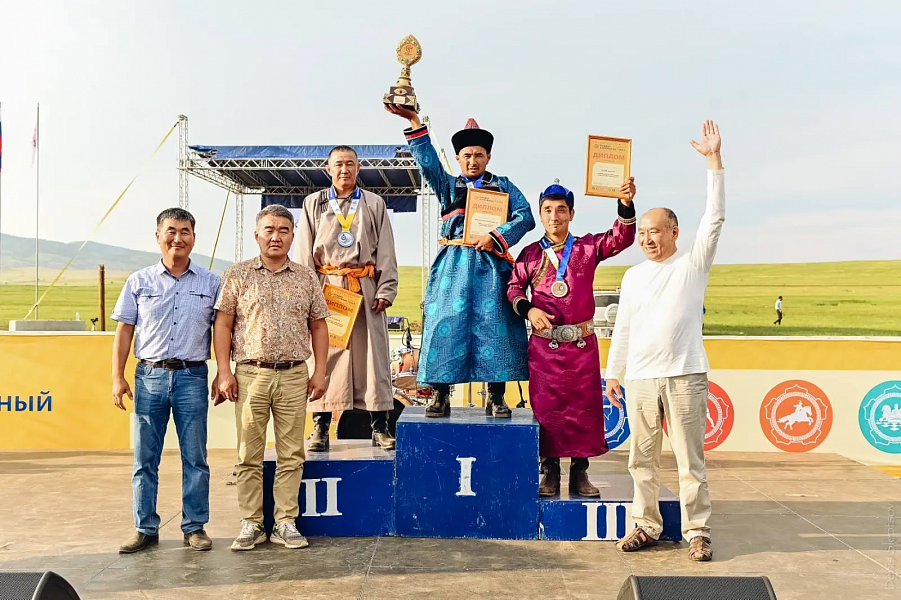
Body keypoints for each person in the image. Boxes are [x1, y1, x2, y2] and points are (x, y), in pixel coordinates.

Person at [604, 120, 725, 562]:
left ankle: (697, 531)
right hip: (640, 379)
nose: (647, 239)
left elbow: (714, 218)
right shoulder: (633, 276)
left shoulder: (693, 264)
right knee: (641, 460)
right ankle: (646, 525)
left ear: (674, 232)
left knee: (690, 460)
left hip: (685, 374)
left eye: (655, 231)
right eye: (642, 233)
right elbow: (624, 326)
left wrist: (713, 161)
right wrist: (613, 373)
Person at [386, 102, 535, 418]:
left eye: (479, 155)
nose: (472, 160)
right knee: (446, 325)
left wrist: (496, 236)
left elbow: (525, 216)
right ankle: (439, 394)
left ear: (488, 157)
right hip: (453, 266)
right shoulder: (448, 186)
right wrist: (414, 120)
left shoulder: (503, 186)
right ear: (457, 158)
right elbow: (427, 162)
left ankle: (496, 396)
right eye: (466, 155)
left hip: (492, 266)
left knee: (496, 326)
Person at [507, 179, 636, 497]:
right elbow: (513, 289)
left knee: (583, 409)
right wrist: (529, 309)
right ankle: (549, 471)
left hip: (582, 347)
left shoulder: (587, 248)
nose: (555, 217)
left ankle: (580, 472)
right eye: (548, 210)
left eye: (561, 210)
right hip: (544, 348)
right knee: (546, 409)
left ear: (572, 214)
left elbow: (621, 237)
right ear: (541, 214)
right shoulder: (530, 254)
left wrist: (625, 204)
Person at [214, 204, 330, 551]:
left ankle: (285, 522)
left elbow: (318, 326)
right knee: (248, 454)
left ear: (293, 236)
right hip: (250, 374)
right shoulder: (237, 275)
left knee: (291, 453)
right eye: (269, 229)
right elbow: (223, 324)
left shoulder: (306, 277)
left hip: (294, 375)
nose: (276, 236)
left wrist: (320, 371)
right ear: (257, 235)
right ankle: (251, 522)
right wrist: (224, 371)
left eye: (283, 230)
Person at [111, 208, 220, 553]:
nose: (178, 238)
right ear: (158, 235)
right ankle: (144, 528)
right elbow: (124, 330)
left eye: (185, 231)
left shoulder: (211, 282)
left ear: (194, 238)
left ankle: (195, 527)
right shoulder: (139, 281)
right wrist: (117, 377)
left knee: (195, 457)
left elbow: (222, 331)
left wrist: (224, 372)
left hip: (192, 377)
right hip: (149, 377)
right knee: (145, 459)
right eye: (171, 231)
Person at [296, 146, 399, 451]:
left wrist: (385, 289)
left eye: (350, 164)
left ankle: (380, 426)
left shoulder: (374, 203)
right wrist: (309, 296)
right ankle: (320, 427)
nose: (344, 169)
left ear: (358, 168)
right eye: (338, 164)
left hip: (365, 287)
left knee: (373, 358)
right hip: (326, 288)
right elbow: (304, 253)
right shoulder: (314, 202)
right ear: (328, 169)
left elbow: (386, 250)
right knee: (325, 357)